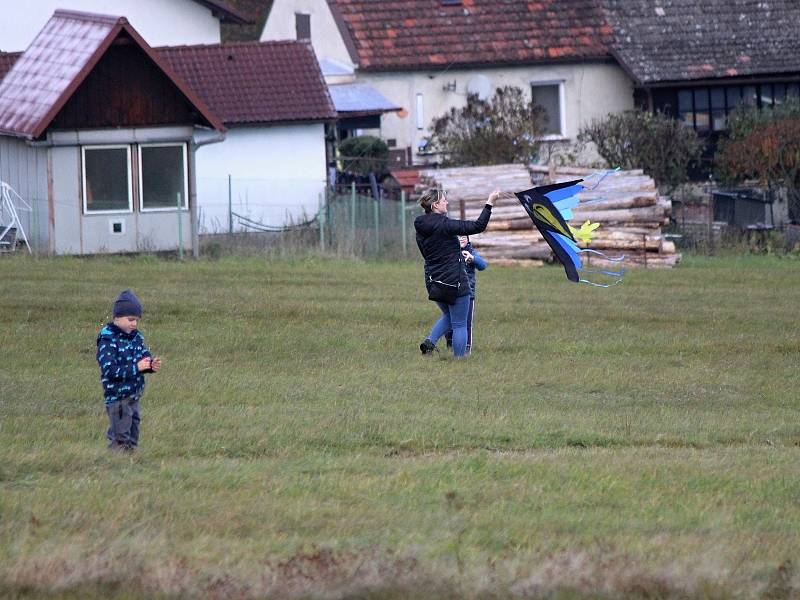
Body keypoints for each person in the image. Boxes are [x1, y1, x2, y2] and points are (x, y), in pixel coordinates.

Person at [415, 188, 499, 357]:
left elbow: (426, 255)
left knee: (449, 315)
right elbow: (478, 226)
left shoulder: (420, 227)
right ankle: (459, 362)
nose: (447, 202)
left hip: (433, 281)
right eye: (444, 200)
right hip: (455, 280)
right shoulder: (446, 224)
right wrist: (490, 201)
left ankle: (430, 343)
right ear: (435, 205)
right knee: (460, 323)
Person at [96, 289, 161, 451]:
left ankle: (131, 459)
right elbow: (109, 370)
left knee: (133, 433)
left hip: (134, 395)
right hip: (118, 397)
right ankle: (116, 460)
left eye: (137, 320)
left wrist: (150, 365)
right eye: (130, 319)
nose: (134, 324)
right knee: (120, 436)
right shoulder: (108, 340)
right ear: (117, 317)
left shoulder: (135, 337)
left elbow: (142, 355)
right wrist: (136, 367)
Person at [445, 236, 488, 355]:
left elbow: (483, 265)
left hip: (468, 295)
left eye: (464, 236)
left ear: (468, 239)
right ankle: (450, 342)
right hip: (451, 293)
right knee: (450, 320)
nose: (462, 239)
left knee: (466, 323)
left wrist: (472, 258)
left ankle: (466, 348)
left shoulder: (471, 251)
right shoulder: (449, 251)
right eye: (458, 236)